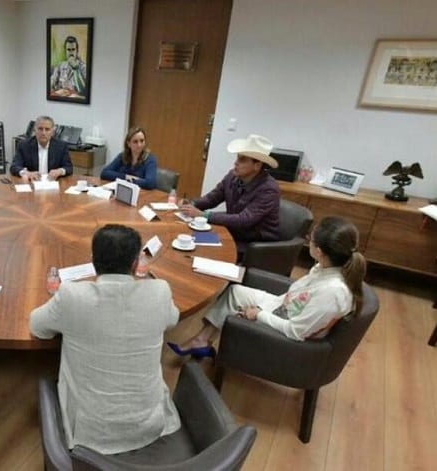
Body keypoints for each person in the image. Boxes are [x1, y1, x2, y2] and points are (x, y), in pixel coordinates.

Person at [29, 224, 181, 455]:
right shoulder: (160, 291)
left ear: (93, 261)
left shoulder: (72, 295)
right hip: (149, 424)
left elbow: (37, 327)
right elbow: (172, 319)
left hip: (91, 432)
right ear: (135, 263)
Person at [167, 216, 367, 358]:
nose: (309, 242)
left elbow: (296, 332)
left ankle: (201, 341)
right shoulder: (326, 268)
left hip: (286, 329)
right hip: (283, 307)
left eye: (311, 240)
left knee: (236, 300)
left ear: (320, 251)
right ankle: (202, 340)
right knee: (235, 292)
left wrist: (259, 314)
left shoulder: (333, 293)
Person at [180, 133, 280, 249]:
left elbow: (244, 220)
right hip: (234, 231)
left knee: (206, 248)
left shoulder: (268, 189)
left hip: (255, 242)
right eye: (237, 158)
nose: (236, 163)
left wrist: (203, 215)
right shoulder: (232, 176)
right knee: (190, 236)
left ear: (257, 165)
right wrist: (192, 204)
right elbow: (212, 198)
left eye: (242, 160)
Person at [10, 116, 73, 182]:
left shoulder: (61, 146)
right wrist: (27, 173)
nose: (43, 133)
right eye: (40, 129)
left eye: (47, 129)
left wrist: (59, 171)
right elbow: (14, 167)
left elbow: (69, 168)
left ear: (52, 132)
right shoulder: (24, 145)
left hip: (53, 183)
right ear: (35, 130)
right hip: (31, 183)